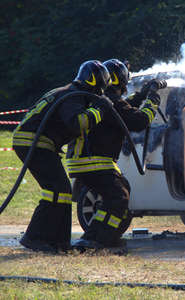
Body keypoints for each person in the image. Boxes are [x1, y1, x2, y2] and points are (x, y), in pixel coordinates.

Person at [12, 60, 114, 252]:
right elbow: (77, 122)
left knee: (62, 192)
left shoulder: (69, 91)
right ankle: (34, 237)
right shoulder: (73, 96)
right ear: (96, 85)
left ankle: (58, 242)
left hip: (36, 142)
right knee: (56, 190)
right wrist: (100, 109)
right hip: (35, 142)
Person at [67, 59, 164, 249]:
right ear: (122, 80)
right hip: (93, 161)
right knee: (118, 197)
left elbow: (123, 109)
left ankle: (96, 235)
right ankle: (99, 240)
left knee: (117, 193)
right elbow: (139, 121)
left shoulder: (107, 100)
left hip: (86, 159)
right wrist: (152, 99)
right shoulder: (111, 102)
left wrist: (141, 95)